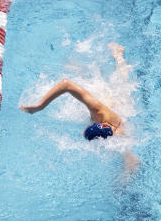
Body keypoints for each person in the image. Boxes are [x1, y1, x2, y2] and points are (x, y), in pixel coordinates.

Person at [21, 43, 138, 171]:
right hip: (116, 104)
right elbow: (66, 84)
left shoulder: (113, 131)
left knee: (121, 81)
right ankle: (113, 57)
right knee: (118, 82)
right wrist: (40, 106)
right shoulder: (100, 113)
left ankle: (117, 56)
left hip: (117, 107)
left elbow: (132, 160)